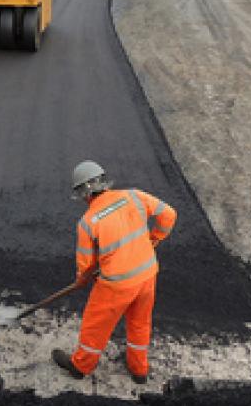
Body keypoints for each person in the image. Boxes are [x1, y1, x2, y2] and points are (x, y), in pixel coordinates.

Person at [51, 160, 177, 384]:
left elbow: (86, 265)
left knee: (95, 325)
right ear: (104, 182)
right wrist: (154, 239)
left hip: (116, 285)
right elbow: (169, 215)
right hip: (148, 274)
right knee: (140, 322)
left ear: (83, 193)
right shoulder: (134, 195)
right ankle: (139, 370)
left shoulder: (88, 223)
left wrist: (83, 279)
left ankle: (81, 366)